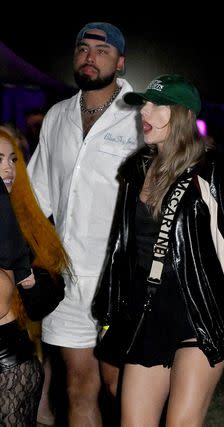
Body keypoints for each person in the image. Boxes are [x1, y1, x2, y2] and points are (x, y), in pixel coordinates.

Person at [92, 74, 224, 425]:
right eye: (142, 105)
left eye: (154, 105)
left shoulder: (211, 171)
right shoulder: (137, 170)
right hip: (146, 314)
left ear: (180, 114)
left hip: (198, 314)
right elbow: (123, 248)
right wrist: (110, 311)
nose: (143, 112)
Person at [27, 22, 143, 425]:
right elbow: (36, 198)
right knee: (78, 386)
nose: (90, 57)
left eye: (101, 50)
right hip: (68, 278)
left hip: (124, 278)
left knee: (123, 389)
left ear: (121, 61)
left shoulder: (142, 117)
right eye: (83, 49)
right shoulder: (57, 116)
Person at [0, 129, 44, 425]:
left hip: (8, 369)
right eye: (0, 159)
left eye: (13, 159)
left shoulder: (14, 220)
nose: (8, 168)